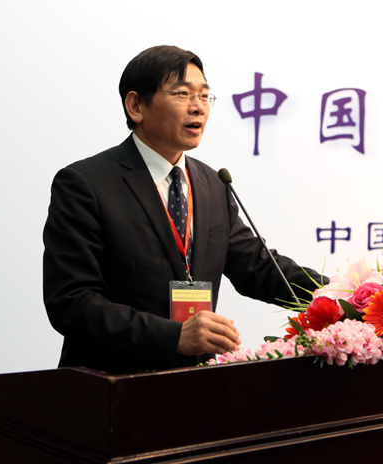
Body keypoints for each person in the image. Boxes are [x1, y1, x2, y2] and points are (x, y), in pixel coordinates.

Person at [43, 45, 324, 373]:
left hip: (193, 383)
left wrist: (346, 297)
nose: (198, 107)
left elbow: (258, 268)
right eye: (182, 93)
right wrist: (173, 336)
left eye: (204, 96)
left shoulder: (213, 184)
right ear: (136, 106)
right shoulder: (86, 184)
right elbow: (71, 301)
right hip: (111, 384)